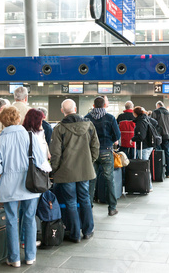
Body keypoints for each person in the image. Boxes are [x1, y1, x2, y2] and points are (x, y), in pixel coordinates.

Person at [0, 106, 49, 267]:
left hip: (8, 186)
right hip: (30, 184)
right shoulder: (31, 137)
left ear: (2, 122)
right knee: (30, 219)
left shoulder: (0, 141)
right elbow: (40, 161)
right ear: (18, 119)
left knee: (11, 220)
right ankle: (30, 255)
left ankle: (14, 258)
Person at [50, 99, 99, 242]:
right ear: (76, 108)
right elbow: (95, 147)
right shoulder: (89, 125)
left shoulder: (59, 129)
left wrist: (54, 169)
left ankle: (75, 234)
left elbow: (56, 153)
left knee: (71, 202)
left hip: (66, 172)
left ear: (62, 110)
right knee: (85, 199)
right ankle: (88, 230)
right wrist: (90, 162)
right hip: (85, 170)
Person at [20, 108, 52, 248]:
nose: (43, 122)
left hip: (34, 173)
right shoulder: (29, 135)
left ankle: (24, 238)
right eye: (41, 120)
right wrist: (48, 168)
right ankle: (26, 240)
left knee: (26, 210)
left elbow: (46, 151)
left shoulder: (40, 132)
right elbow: (40, 158)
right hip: (34, 174)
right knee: (29, 211)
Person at [85, 96, 121, 216]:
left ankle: (89, 206)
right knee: (109, 179)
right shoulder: (110, 118)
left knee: (91, 180)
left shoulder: (87, 118)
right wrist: (110, 140)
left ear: (94, 106)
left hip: (91, 153)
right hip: (106, 150)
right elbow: (117, 135)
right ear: (104, 105)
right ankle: (112, 208)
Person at [152, 101, 169, 178]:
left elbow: (152, 124)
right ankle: (168, 172)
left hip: (158, 137)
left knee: (158, 154)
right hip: (168, 136)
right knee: (167, 154)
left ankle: (159, 172)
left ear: (158, 105)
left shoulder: (155, 112)